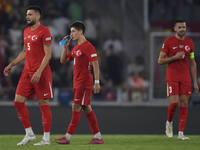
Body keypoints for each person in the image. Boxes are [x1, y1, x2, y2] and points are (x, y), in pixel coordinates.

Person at [3, 6, 53, 145]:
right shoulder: (25, 31)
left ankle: (46, 138)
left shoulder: (45, 31)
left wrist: (38, 72)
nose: (27, 17)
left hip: (41, 72)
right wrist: (12, 64)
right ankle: (29, 133)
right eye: (26, 14)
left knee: (43, 103)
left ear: (37, 17)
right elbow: (25, 52)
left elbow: (48, 55)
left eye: (30, 14)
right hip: (27, 72)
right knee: (18, 102)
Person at [54, 21, 104, 144]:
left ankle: (67, 137)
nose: (71, 34)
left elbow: (95, 64)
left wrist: (97, 82)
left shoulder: (88, 46)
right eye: (70, 32)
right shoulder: (75, 48)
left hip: (84, 82)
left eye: (73, 31)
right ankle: (98, 137)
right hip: (76, 82)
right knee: (86, 108)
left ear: (80, 32)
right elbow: (63, 60)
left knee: (76, 106)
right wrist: (65, 47)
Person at [158, 18, 199, 140]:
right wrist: (175, 57)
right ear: (175, 29)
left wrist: (195, 82)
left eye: (184, 27)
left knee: (185, 102)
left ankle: (181, 133)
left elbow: (192, 62)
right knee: (174, 103)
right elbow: (160, 60)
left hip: (185, 77)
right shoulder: (169, 41)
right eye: (179, 27)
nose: (182, 29)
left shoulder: (190, 43)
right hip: (172, 76)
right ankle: (169, 122)